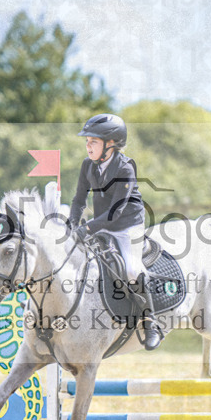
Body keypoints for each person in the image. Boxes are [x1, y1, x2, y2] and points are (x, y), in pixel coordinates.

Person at [66, 113, 163, 350]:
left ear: (111, 144)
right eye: (87, 141)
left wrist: (86, 228)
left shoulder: (125, 168)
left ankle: (150, 322)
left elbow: (115, 213)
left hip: (126, 225)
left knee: (131, 269)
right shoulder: (88, 165)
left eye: (93, 142)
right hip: (101, 223)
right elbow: (79, 200)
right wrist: (72, 223)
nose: (88, 146)